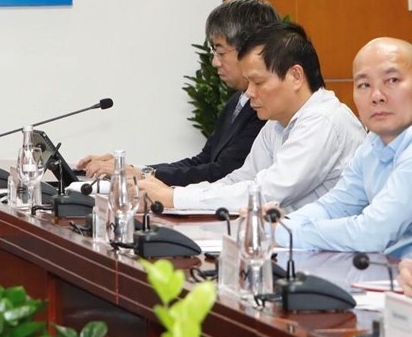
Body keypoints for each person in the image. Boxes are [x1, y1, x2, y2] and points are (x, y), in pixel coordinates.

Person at [138, 22, 364, 211]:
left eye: (258, 82)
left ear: (295, 76)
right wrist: (172, 194)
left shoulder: (323, 120)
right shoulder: (276, 123)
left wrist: (173, 198)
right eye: (248, 83)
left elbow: (266, 193)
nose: (249, 93)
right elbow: (241, 179)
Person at [78, 0, 279, 184]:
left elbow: (222, 173)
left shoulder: (266, 107)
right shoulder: (238, 100)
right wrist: (132, 170)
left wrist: (141, 174)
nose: (215, 62)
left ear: (250, 49)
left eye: (220, 52)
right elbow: (203, 160)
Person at [273, 38, 412, 257]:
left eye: (392, 80)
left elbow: (371, 234)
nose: (377, 96)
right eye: (364, 85)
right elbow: (335, 205)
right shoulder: (372, 144)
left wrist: (285, 233)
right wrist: (280, 225)